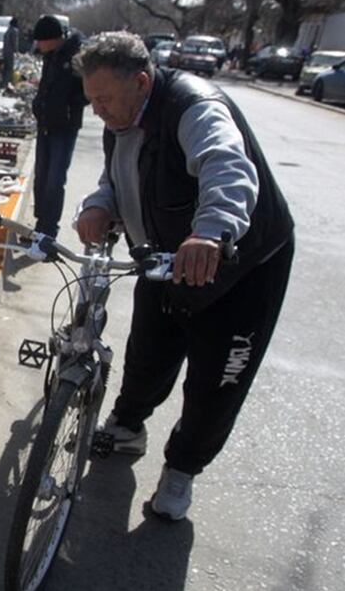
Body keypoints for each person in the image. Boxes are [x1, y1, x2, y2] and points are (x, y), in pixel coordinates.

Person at [75, 32, 294, 521]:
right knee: (148, 349)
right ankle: (128, 425)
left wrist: (212, 232)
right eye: (91, 100)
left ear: (141, 82)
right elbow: (117, 179)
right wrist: (98, 206)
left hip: (240, 265)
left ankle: (181, 471)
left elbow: (227, 167)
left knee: (215, 381)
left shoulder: (195, 108)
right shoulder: (121, 117)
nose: (97, 111)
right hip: (165, 255)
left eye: (104, 98)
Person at [31, 14, 86, 237]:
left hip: (64, 127)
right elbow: (46, 84)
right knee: (41, 176)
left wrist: (66, 105)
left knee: (55, 179)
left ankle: (49, 229)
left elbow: (87, 91)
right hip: (45, 122)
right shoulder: (50, 56)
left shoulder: (76, 56)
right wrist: (39, 104)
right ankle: (40, 224)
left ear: (53, 38)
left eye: (41, 41)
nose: (38, 45)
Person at [2, 17, 19, 87]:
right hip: (10, 52)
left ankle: (3, 82)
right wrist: (16, 52)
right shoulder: (14, 31)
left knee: (5, 68)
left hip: (5, 51)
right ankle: (7, 83)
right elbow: (14, 42)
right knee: (9, 68)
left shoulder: (8, 30)